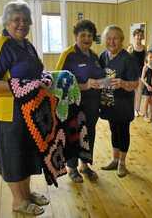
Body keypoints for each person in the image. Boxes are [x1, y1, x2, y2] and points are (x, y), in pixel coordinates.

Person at [0, 0, 48, 216]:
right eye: (16, 20)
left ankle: (26, 194)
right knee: (13, 156)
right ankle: (18, 201)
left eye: (26, 20)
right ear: (6, 21)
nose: (22, 24)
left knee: (26, 153)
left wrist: (43, 78)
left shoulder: (26, 44)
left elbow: (34, 71)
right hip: (10, 113)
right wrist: (20, 86)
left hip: (29, 110)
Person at [55, 20, 105, 182]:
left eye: (90, 35)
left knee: (88, 135)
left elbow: (100, 78)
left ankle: (85, 165)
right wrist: (84, 85)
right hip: (74, 106)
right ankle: (72, 167)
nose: (86, 38)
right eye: (83, 35)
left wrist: (106, 82)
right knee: (73, 136)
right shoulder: (68, 54)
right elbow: (58, 81)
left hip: (92, 106)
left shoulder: (95, 56)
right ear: (76, 36)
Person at [99, 25, 139, 177]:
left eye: (115, 38)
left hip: (123, 104)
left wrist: (122, 83)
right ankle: (114, 160)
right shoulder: (103, 56)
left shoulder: (128, 59)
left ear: (121, 40)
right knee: (113, 131)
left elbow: (135, 83)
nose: (111, 41)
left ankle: (122, 163)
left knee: (123, 132)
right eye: (108, 38)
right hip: (109, 103)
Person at [127, 28, 146, 117]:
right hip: (132, 73)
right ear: (134, 36)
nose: (139, 37)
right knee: (132, 92)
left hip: (141, 73)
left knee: (139, 92)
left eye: (140, 35)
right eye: (137, 35)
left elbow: (145, 60)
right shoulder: (131, 47)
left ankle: (137, 109)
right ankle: (131, 108)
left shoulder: (144, 47)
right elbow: (126, 61)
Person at [140, 51, 152, 122]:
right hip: (147, 86)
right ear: (147, 58)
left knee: (151, 101)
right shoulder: (145, 67)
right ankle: (145, 114)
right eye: (150, 57)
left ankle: (151, 115)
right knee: (146, 101)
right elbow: (142, 78)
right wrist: (147, 86)